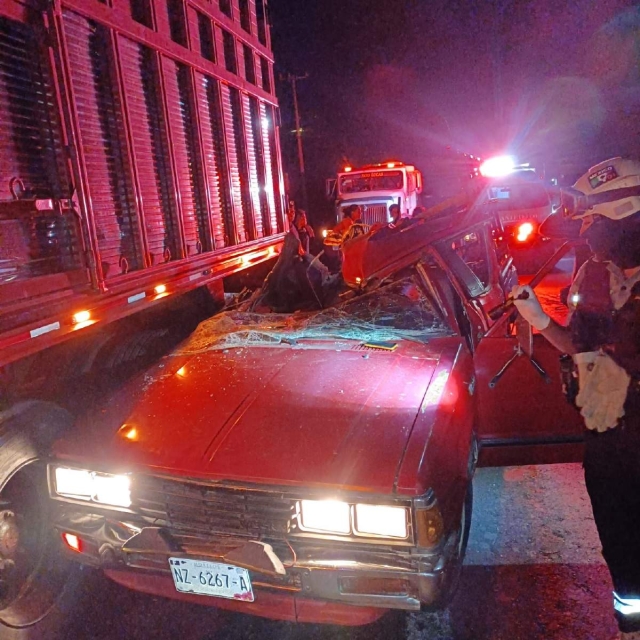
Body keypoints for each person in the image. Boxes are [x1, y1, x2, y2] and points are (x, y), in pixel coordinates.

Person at [511, 157, 640, 640]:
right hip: (608, 434)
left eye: (595, 219)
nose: (588, 231)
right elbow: (578, 345)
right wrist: (540, 321)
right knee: (620, 538)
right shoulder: (591, 276)